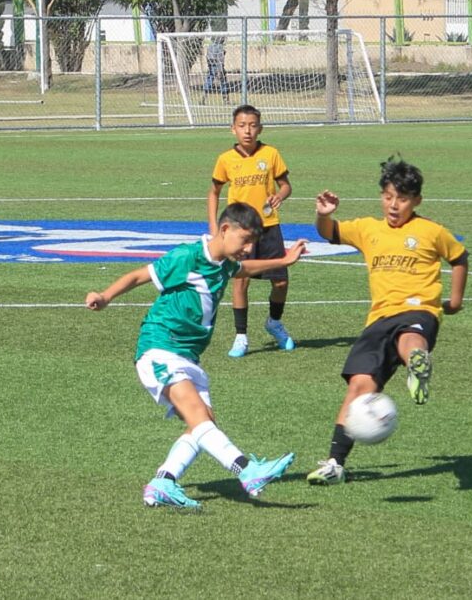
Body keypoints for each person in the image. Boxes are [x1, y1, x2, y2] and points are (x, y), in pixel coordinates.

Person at [85, 203, 308, 510]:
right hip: (160, 347)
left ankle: (164, 481)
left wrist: (283, 260)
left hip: (187, 355)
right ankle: (247, 470)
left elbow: (244, 269)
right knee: (198, 415)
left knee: (203, 423)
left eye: (252, 242)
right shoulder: (188, 256)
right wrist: (105, 296)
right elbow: (140, 275)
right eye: (244, 240)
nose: (249, 248)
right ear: (225, 229)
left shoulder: (226, 263)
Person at [306, 157, 469, 486]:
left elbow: (459, 257)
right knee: (359, 386)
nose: (394, 205)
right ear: (382, 196)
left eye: (403, 199)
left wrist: (454, 301)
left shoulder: (430, 231)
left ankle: (416, 364)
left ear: (417, 201)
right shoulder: (368, 229)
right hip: (378, 317)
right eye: (389, 197)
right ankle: (335, 464)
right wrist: (323, 216)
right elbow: (330, 233)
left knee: (409, 337)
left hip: (420, 308)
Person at [207, 104, 296, 358]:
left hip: (268, 227)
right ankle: (241, 336)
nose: (247, 131)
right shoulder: (226, 159)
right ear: (232, 129)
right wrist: (215, 227)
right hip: (239, 231)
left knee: (280, 281)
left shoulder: (270, 154)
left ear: (260, 128)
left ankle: (274, 322)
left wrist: (280, 195)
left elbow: (286, 185)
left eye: (252, 125)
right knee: (240, 280)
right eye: (242, 126)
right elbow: (214, 192)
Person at [203, 36, 231, 104]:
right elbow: (220, 59)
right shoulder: (219, 47)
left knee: (208, 81)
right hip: (218, 66)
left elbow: (208, 57)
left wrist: (209, 66)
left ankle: (204, 97)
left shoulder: (210, 46)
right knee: (223, 82)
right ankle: (226, 100)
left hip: (211, 66)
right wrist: (220, 70)